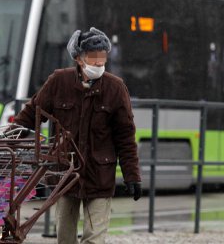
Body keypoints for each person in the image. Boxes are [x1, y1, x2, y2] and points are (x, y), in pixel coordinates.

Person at [13, 27, 141, 244]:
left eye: (103, 57)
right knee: (64, 239)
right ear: (79, 58)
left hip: (99, 176)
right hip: (65, 175)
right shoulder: (58, 82)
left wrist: (132, 175)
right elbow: (32, 113)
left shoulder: (115, 88)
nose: (99, 63)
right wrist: (13, 135)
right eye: (94, 58)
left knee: (94, 239)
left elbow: (126, 137)